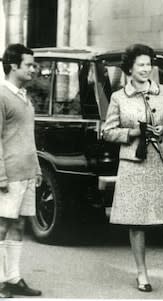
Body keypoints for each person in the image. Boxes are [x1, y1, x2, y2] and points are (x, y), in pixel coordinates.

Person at [102, 43, 163, 293]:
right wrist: (133, 132)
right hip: (133, 164)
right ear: (130, 68)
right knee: (136, 221)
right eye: (141, 65)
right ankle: (142, 274)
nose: (146, 69)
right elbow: (107, 132)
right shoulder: (118, 97)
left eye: (149, 64)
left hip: (160, 162)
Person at [0, 44, 42, 298]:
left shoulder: (24, 96)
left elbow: (28, 137)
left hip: (26, 172)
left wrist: (36, 168)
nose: (33, 69)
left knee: (19, 224)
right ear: (13, 65)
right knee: (2, 224)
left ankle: (13, 278)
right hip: (9, 173)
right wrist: (1, 175)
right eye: (29, 64)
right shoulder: (1, 95)